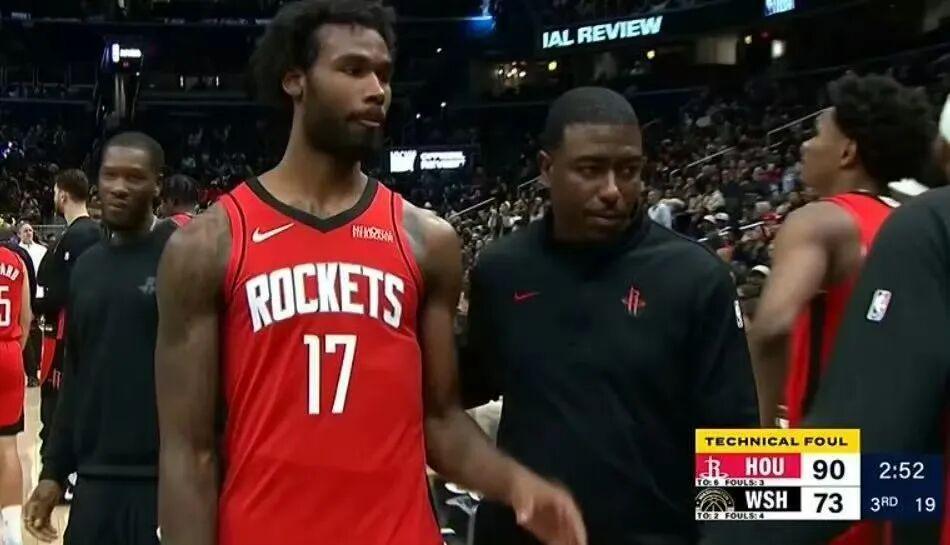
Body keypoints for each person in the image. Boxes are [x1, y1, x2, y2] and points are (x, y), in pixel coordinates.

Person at [155, 2, 586, 545]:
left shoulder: (427, 240)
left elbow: (440, 420)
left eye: (384, 73)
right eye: (354, 69)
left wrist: (517, 485)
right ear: (295, 79)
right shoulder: (209, 244)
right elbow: (187, 452)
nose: (377, 90)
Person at [460, 86, 757, 545]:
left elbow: (735, 441)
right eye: (591, 170)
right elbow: (463, 386)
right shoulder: (501, 271)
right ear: (546, 169)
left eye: (629, 170)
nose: (613, 191)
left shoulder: (697, 277)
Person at [703, 95, 950, 545]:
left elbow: (772, 327)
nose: (804, 146)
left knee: (708, 507)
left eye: (816, 134)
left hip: (825, 470)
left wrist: (760, 448)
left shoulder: (819, 219)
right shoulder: (906, 220)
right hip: (903, 476)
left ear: (847, 152)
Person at [24, 132, 175, 545]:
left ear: (157, 184)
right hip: (94, 481)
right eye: (110, 176)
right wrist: (54, 470)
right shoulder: (88, 267)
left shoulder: (179, 255)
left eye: (134, 177)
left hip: (161, 482)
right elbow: (76, 372)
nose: (120, 187)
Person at [34, 169, 100, 452]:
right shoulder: (89, 233)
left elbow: (63, 291)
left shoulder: (80, 236)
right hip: (79, 335)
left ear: (62, 194)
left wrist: (36, 305)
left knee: (57, 413)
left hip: (67, 337)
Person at [0, 239, 32, 545]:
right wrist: (13, 350)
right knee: (8, 446)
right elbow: (27, 317)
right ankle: (10, 533)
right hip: (9, 352)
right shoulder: (16, 260)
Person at [15, 223, 43, 387]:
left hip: (39, 293)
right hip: (24, 294)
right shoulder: (17, 252)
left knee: (35, 330)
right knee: (26, 329)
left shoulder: (41, 250)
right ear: (19, 234)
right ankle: (31, 372)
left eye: (30, 230)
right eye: (25, 231)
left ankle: (36, 365)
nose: (28, 233)